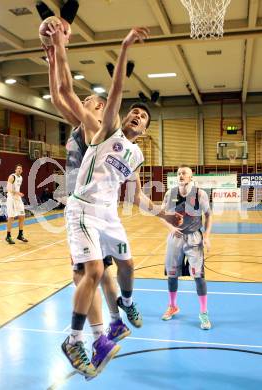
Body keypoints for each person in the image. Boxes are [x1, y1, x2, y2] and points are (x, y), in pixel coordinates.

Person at [47, 23, 182, 377]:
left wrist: (164, 215)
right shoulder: (106, 128)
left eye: (144, 117)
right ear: (122, 116)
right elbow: (113, 88)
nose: (137, 115)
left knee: (125, 265)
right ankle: (75, 339)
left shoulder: (135, 156)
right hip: (83, 209)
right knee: (91, 272)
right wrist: (124, 46)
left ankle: (121, 312)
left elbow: (137, 197)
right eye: (133, 112)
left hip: (109, 216)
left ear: (147, 130)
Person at [44, 28, 132, 377]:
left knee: (92, 274)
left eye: (93, 100)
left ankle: (101, 331)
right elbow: (58, 95)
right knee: (89, 274)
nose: (87, 102)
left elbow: (64, 92)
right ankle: (99, 334)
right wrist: (53, 57)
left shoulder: (97, 124)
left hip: (95, 209)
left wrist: (59, 49)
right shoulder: (82, 126)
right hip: (83, 208)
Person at [161, 165, 212, 330]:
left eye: (184, 173)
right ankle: (172, 306)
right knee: (172, 275)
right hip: (175, 238)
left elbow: (208, 215)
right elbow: (162, 214)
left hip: (194, 239)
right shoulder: (171, 193)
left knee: (199, 276)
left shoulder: (200, 194)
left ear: (191, 177)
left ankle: (203, 313)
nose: (180, 175)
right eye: (178, 173)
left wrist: (207, 236)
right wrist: (170, 228)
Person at [5, 164, 28, 244]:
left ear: (22, 171)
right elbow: (8, 189)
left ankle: (20, 235)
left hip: (17, 198)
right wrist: (18, 193)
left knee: (22, 216)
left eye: (20, 169)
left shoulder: (21, 177)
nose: (19, 170)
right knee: (11, 217)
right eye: (18, 168)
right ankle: (8, 236)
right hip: (11, 198)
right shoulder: (12, 177)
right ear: (15, 170)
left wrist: (18, 194)